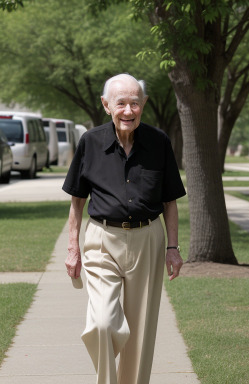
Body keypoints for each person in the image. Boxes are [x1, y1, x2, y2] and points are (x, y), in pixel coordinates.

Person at [62, 73, 186, 384]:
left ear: (143, 104)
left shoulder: (159, 142)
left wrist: (173, 247)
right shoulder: (90, 142)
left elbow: (170, 201)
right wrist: (73, 247)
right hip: (102, 240)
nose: (128, 111)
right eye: (121, 104)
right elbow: (77, 201)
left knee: (140, 330)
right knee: (103, 323)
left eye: (135, 103)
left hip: (148, 238)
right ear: (106, 105)